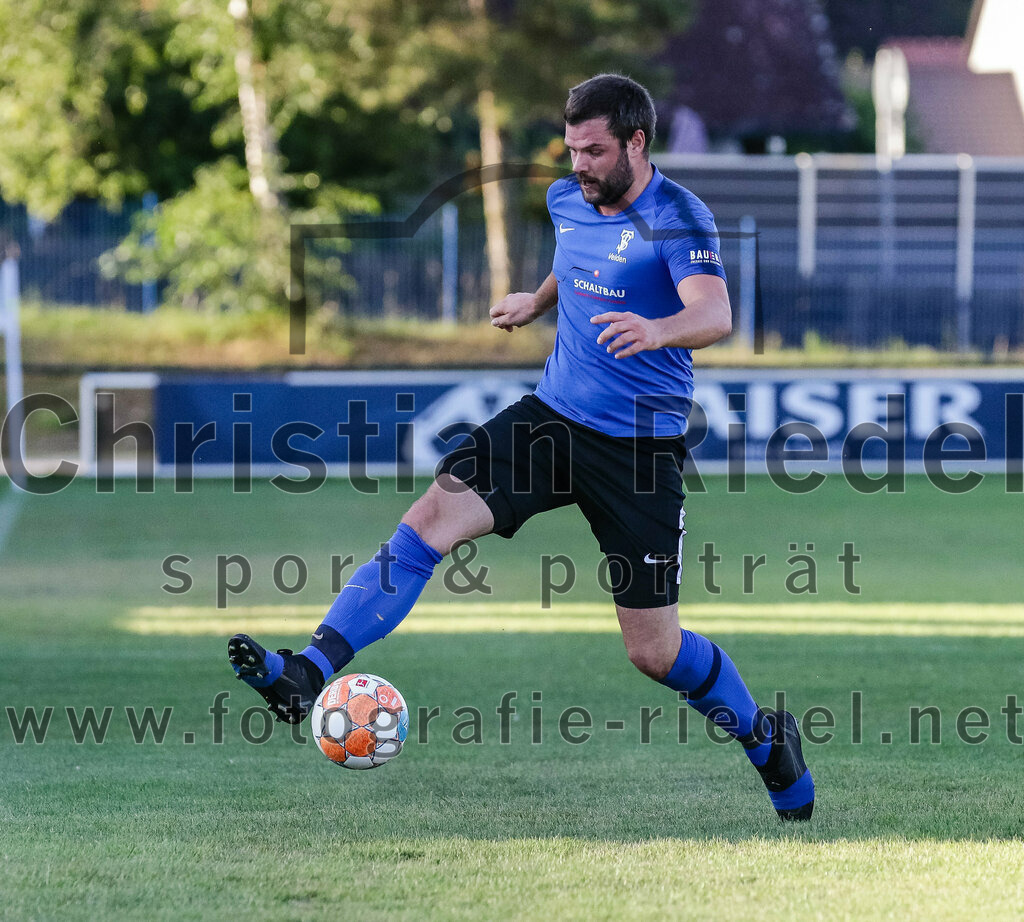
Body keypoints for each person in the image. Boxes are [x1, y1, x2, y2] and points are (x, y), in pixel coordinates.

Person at [228, 73, 814, 821]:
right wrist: (537, 301)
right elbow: (576, 263)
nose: (579, 165)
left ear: (637, 142)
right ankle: (307, 671)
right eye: (571, 149)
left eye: (594, 151)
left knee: (654, 653)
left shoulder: (678, 216)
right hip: (551, 418)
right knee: (427, 522)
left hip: (638, 452)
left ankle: (765, 739)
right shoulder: (568, 198)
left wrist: (657, 329)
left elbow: (715, 312)